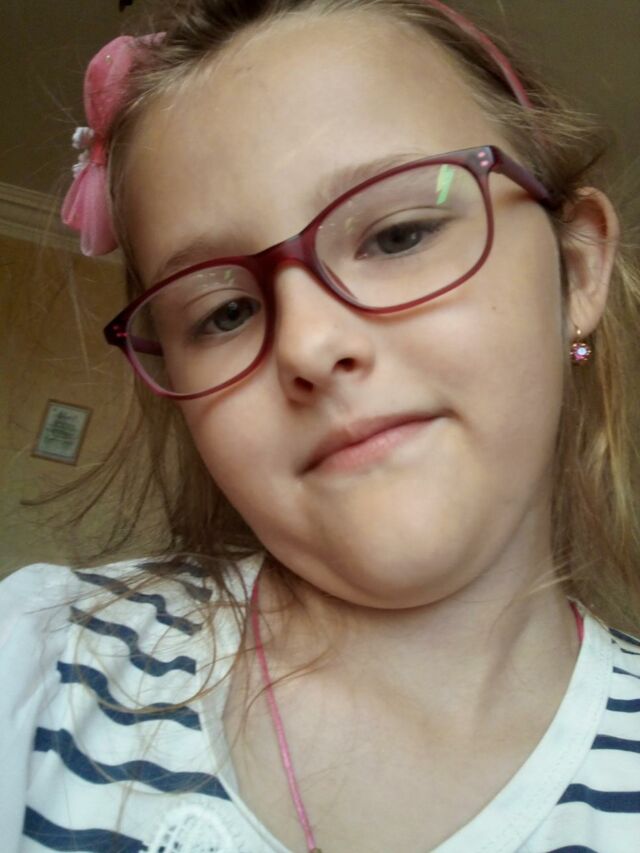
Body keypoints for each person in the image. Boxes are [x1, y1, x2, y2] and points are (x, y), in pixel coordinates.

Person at [1, 0, 639, 850]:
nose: (307, 343)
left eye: (399, 234)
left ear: (577, 267)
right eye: (225, 313)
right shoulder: (40, 661)